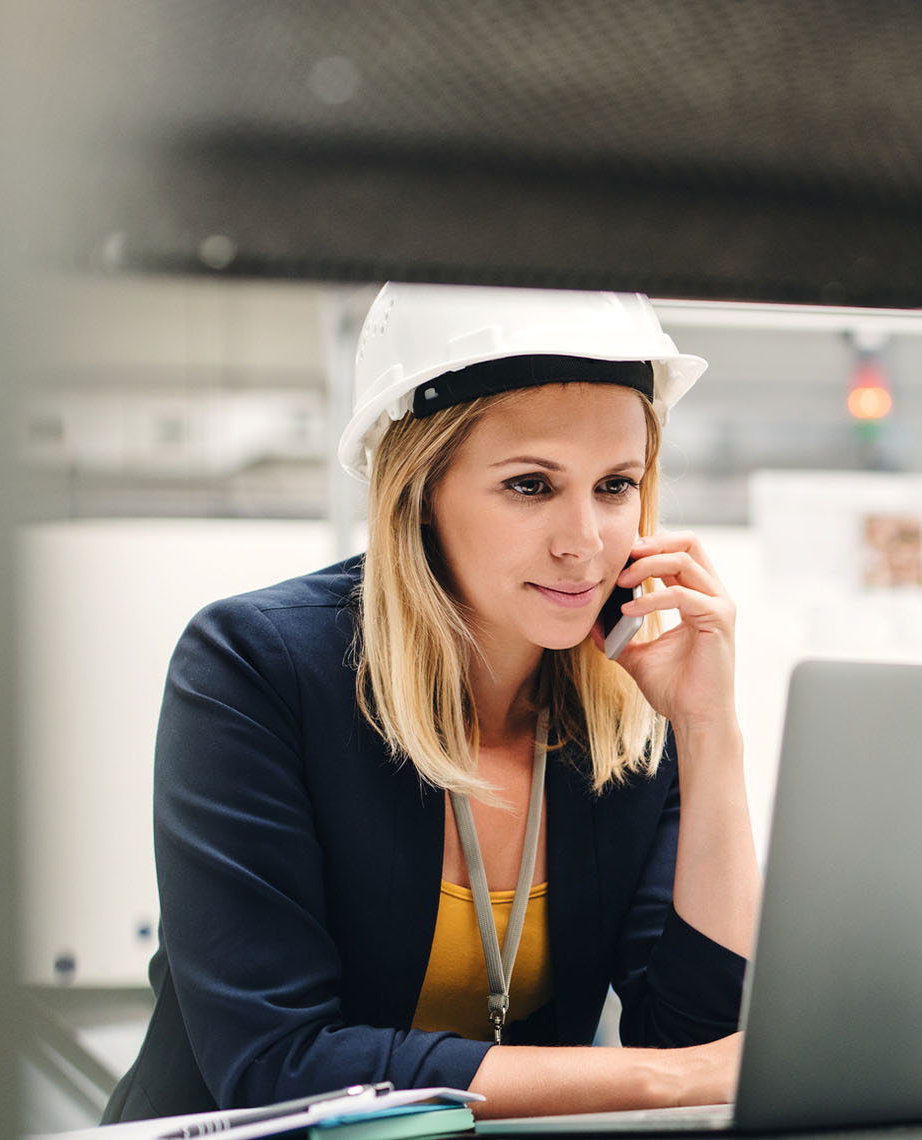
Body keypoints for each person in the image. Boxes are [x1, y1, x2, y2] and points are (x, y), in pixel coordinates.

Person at [103, 284, 759, 1122]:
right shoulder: (254, 669)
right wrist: (671, 1080)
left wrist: (709, 729)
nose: (584, 543)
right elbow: (282, 1065)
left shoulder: (624, 710)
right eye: (530, 485)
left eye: (615, 486)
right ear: (419, 490)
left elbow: (694, 1033)